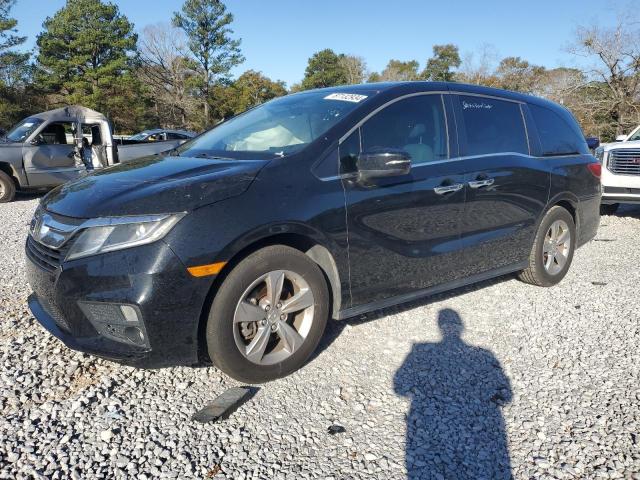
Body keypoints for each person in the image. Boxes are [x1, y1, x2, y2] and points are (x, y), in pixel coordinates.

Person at [394, 309, 513, 479]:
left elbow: (399, 388)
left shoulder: (418, 350)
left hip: (428, 427)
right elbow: (507, 396)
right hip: (485, 429)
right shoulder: (484, 354)